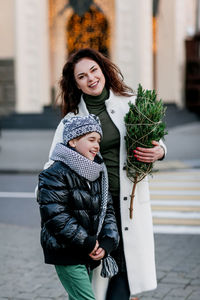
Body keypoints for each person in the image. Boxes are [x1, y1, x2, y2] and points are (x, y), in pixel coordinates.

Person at [44, 48, 167, 300]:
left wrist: (160, 151)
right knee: (102, 272)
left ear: (102, 70)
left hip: (130, 200)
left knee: (126, 270)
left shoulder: (129, 102)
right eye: (82, 76)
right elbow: (52, 162)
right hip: (94, 206)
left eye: (93, 70)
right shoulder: (72, 119)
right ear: (75, 84)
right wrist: (49, 193)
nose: (90, 79)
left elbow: (156, 138)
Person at [37, 114, 119, 300]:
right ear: (73, 141)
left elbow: (108, 211)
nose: (97, 145)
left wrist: (107, 243)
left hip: (88, 251)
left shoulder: (97, 172)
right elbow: (56, 216)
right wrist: (87, 241)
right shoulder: (54, 174)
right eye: (91, 139)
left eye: (98, 140)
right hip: (66, 251)